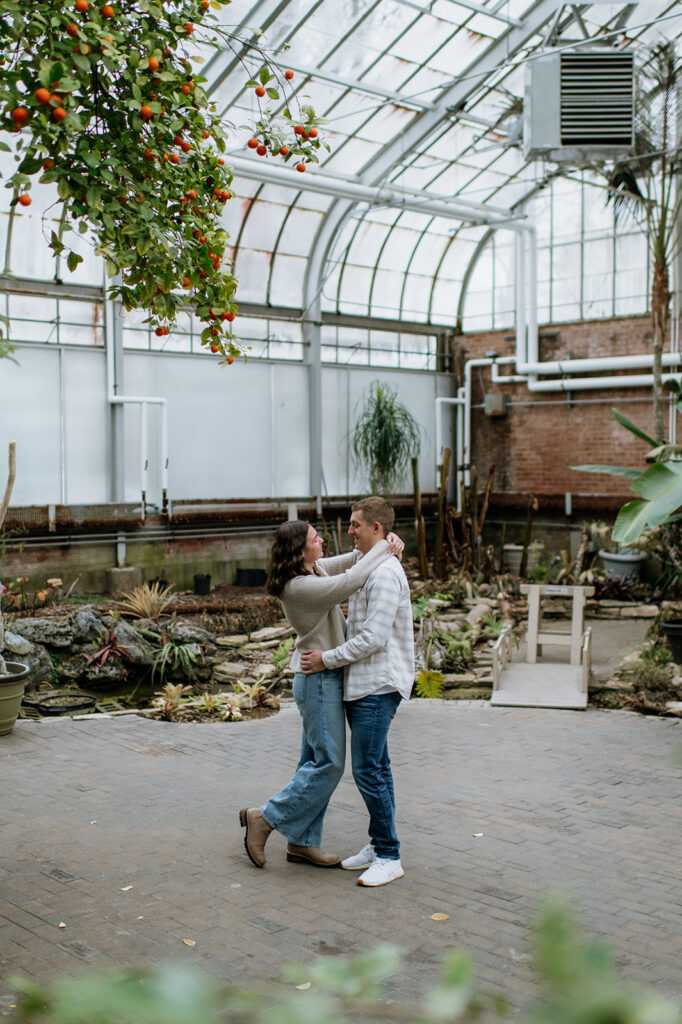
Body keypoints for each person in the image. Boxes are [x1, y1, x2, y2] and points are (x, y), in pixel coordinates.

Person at [239, 519, 403, 869]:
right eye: (317, 538)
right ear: (301, 550)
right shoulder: (298, 586)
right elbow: (351, 580)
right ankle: (264, 818)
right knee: (329, 764)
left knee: (312, 763)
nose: (324, 539)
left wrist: (387, 542)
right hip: (318, 680)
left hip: (323, 676)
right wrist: (384, 549)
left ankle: (301, 843)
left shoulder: (314, 568)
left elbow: (353, 560)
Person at [300, 496, 414, 888]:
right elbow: (339, 571)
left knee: (367, 770)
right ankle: (379, 843)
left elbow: (372, 638)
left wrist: (326, 658)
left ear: (376, 528)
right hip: (364, 684)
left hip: (378, 686)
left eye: (355, 525)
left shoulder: (384, 575)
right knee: (377, 767)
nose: (349, 532)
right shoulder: (369, 566)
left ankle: (388, 855)